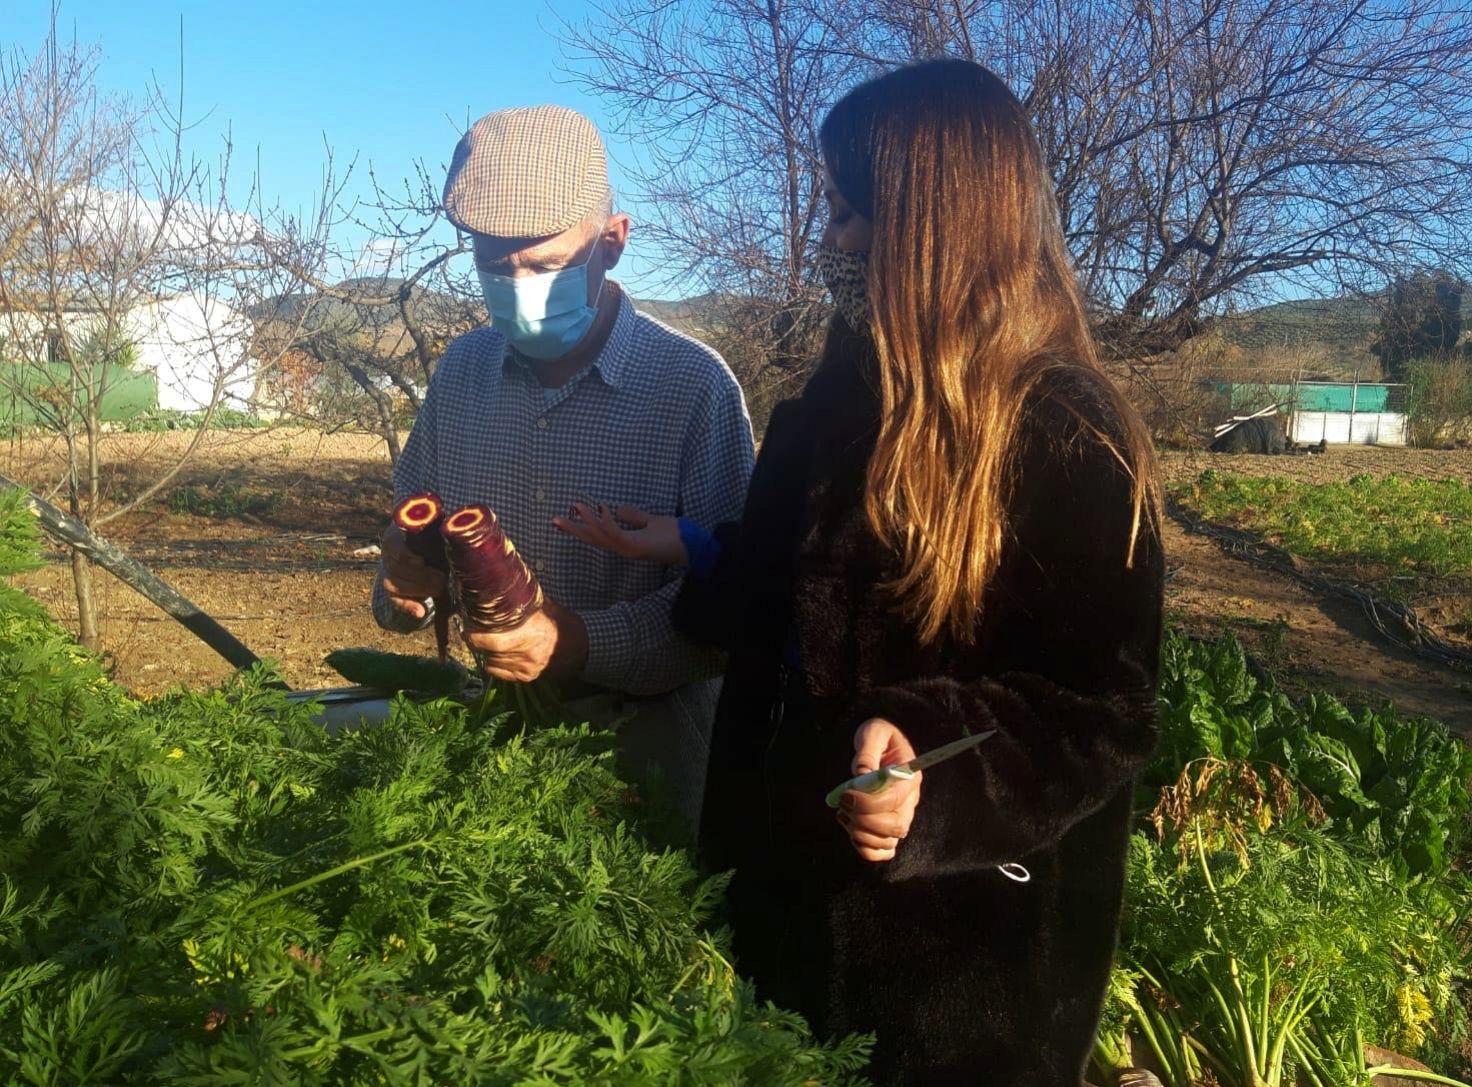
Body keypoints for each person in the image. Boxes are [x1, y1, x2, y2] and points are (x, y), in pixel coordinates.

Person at [557, 60, 1165, 1086]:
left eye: (849, 214)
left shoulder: (1066, 436)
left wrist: (933, 767)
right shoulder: (835, 400)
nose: (827, 240)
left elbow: (1098, 709)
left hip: (958, 965)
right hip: (784, 905)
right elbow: (786, 593)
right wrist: (693, 549)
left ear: (935, 226)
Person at [373, 106, 755, 839]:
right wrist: (402, 594)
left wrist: (576, 640)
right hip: (487, 760)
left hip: (641, 776)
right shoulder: (460, 376)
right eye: (494, 266)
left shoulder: (693, 390)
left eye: (546, 266)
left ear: (612, 243)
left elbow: (732, 616)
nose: (518, 289)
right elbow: (406, 560)